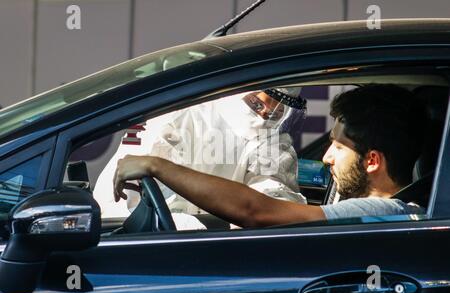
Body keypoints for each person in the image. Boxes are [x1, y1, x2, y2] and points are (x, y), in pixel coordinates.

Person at [112, 84, 427, 228]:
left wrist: (157, 166)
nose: (326, 157)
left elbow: (256, 212)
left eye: (338, 147)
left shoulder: (381, 212)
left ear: (372, 160)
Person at [95, 87, 308, 229]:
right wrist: (188, 226)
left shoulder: (272, 140)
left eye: (276, 112)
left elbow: (275, 199)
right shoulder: (176, 115)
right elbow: (123, 206)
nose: (264, 117)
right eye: (259, 104)